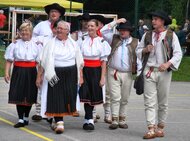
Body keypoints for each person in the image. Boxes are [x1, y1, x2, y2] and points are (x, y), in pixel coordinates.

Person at [136, 11, 182, 139]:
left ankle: (160, 127)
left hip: (164, 73)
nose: (153, 21)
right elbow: (138, 50)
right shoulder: (147, 35)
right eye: (153, 19)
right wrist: (145, 49)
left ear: (162, 21)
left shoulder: (171, 35)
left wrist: (168, 64)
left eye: (156, 19)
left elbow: (178, 53)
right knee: (149, 102)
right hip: (149, 71)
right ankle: (151, 128)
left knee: (163, 101)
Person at [36, 20, 84, 134]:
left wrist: (80, 76)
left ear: (67, 31)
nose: (59, 30)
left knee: (67, 96)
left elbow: (80, 62)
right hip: (55, 73)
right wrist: (39, 77)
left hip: (71, 73)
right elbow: (42, 61)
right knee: (56, 96)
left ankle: (55, 119)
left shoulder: (74, 44)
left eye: (61, 29)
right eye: (58, 28)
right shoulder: (50, 44)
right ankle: (59, 122)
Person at [104, 20, 142, 130]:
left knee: (124, 98)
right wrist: (116, 22)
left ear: (129, 31)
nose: (122, 32)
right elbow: (102, 31)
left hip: (128, 73)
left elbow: (139, 58)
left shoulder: (136, 42)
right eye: (120, 29)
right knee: (115, 97)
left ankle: (122, 119)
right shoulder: (113, 38)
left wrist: (139, 74)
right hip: (113, 71)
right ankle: (114, 119)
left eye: (124, 30)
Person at [4, 22, 42, 128]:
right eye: (22, 30)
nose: (24, 32)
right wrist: (7, 73)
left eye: (26, 30)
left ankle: (26, 117)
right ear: (20, 32)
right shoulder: (14, 44)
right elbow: (9, 60)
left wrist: (39, 76)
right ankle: (20, 118)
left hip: (31, 72)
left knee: (29, 95)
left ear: (31, 32)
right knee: (19, 94)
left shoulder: (37, 45)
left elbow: (40, 63)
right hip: (18, 71)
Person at [32, 3, 65, 121]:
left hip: (56, 63)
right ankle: (39, 111)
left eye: (56, 11)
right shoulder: (41, 25)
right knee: (40, 85)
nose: (53, 13)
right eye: (51, 11)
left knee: (54, 86)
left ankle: (52, 110)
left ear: (60, 14)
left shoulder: (63, 26)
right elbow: (32, 38)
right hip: (41, 62)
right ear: (48, 13)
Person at [79, 19, 111, 131]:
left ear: (97, 27)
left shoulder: (102, 42)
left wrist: (102, 77)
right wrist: (80, 75)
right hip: (84, 69)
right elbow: (79, 60)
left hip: (96, 71)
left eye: (92, 26)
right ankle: (88, 119)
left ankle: (89, 119)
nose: (90, 28)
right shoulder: (82, 40)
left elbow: (104, 62)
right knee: (85, 94)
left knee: (93, 94)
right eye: (88, 26)